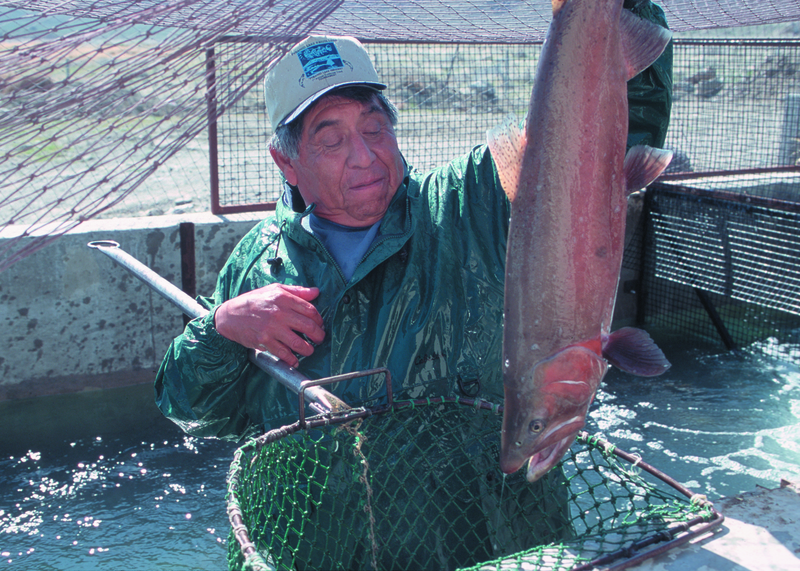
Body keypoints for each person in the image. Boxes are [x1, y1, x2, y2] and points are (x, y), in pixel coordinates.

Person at [156, 1, 672, 566]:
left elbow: (602, 139)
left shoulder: (468, 206)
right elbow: (192, 408)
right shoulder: (258, 264)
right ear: (286, 161)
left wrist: (605, 12)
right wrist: (223, 328)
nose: (365, 156)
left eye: (375, 128)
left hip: (493, 547)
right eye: (332, 140)